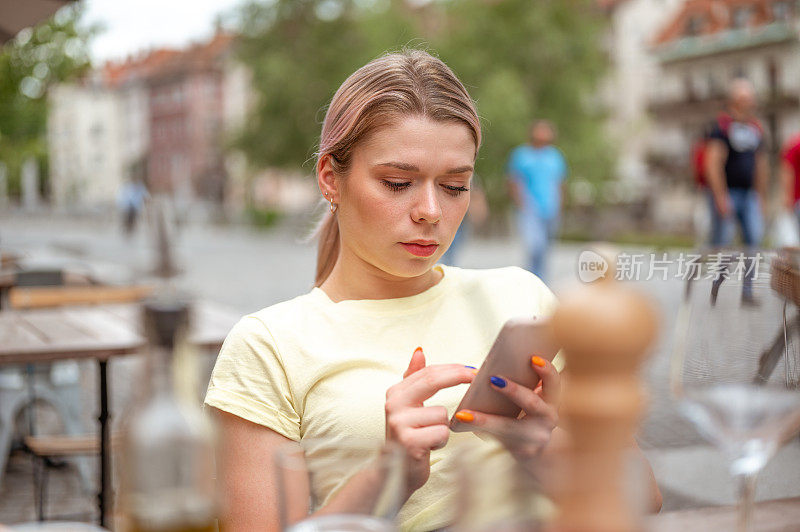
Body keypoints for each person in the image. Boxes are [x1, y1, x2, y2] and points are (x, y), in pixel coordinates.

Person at [204, 50, 661, 531]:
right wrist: (389, 474)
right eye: (398, 183)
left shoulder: (521, 298)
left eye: (454, 186)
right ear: (330, 179)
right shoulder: (269, 344)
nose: (430, 211)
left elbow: (644, 498)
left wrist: (555, 446)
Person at [704, 78, 767, 303]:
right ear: (735, 99)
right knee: (725, 243)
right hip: (728, 192)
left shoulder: (755, 128)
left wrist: (760, 196)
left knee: (754, 241)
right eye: (745, 97)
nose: (750, 101)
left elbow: (760, 164)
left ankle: (747, 292)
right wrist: (720, 196)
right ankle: (717, 284)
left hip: (749, 194)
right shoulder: (721, 127)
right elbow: (713, 163)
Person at [506, 120, 567, 282]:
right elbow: (514, 181)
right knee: (534, 246)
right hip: (529, 209)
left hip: (550, 209)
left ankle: (542, 280)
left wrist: (560, 205)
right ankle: (531, 277)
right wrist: (522, 204)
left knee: (546, 248)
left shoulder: (555, 156)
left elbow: (560, 183)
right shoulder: (521, 155)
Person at [438, 174, 488, 266]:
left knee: (453, 248)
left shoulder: (468, 174)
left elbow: (476, 193)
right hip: (448, 216)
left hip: (460, 219)